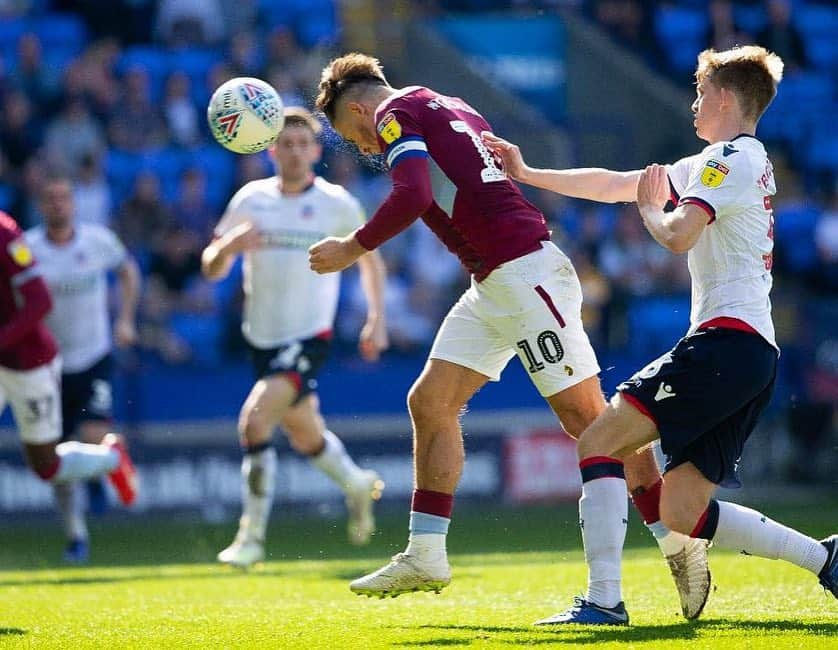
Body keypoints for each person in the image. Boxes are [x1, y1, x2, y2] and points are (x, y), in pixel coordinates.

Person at [308, 53, 710, 619]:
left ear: (357, 108)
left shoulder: (394, 114)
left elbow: (416, 194)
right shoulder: (450, 102)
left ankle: (677, 545)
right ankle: (426, 553)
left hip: (523, 273)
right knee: (429, 401)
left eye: (356, 136)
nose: (367, 149)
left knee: (594, 424)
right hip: (495, 281)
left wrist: (352, 246)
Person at [484, 45, 838, 625]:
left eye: (700, 93)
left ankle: (603, 601)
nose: (693, 104)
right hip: (751, 354)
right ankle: (825, 558)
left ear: (724, 98)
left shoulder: (729, 160)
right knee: (681, 509)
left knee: (599, 441)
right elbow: (616, 183)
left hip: (725, 343)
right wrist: (528, 174)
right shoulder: (726, 163)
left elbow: (676, 234)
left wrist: (653, 214)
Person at [201, 107, 389, 568]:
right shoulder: (251, 199)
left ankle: (251, 538)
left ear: (316, 151)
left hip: (310, 336)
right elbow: (210, 267)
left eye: (303, 143)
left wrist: (377, 318)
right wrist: (226, 249)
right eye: (285, 144)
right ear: (270, 150)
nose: (294, 151)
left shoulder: (336, 203)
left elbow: (370, 259)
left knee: (255, 422)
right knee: (306, 435)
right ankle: (357, 484)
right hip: (262, 338)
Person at [26, 176, 141, 563]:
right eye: (50, 199)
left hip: (93, 357)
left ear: (73, 204)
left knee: (95, 432)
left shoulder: (97, 241)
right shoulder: (29, 249)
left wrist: (125, 319)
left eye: (63, 198)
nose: (58, 205)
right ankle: (76, 534)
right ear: (42, 206)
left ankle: (101, 469)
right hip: (47, 365)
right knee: (53, 456)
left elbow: (128, 271)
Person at [0, 211, 138, 534]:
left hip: (30, 363)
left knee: (46, 466)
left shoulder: (6, 234)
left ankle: (110, 459)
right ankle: (77, 537)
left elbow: (40, 302)